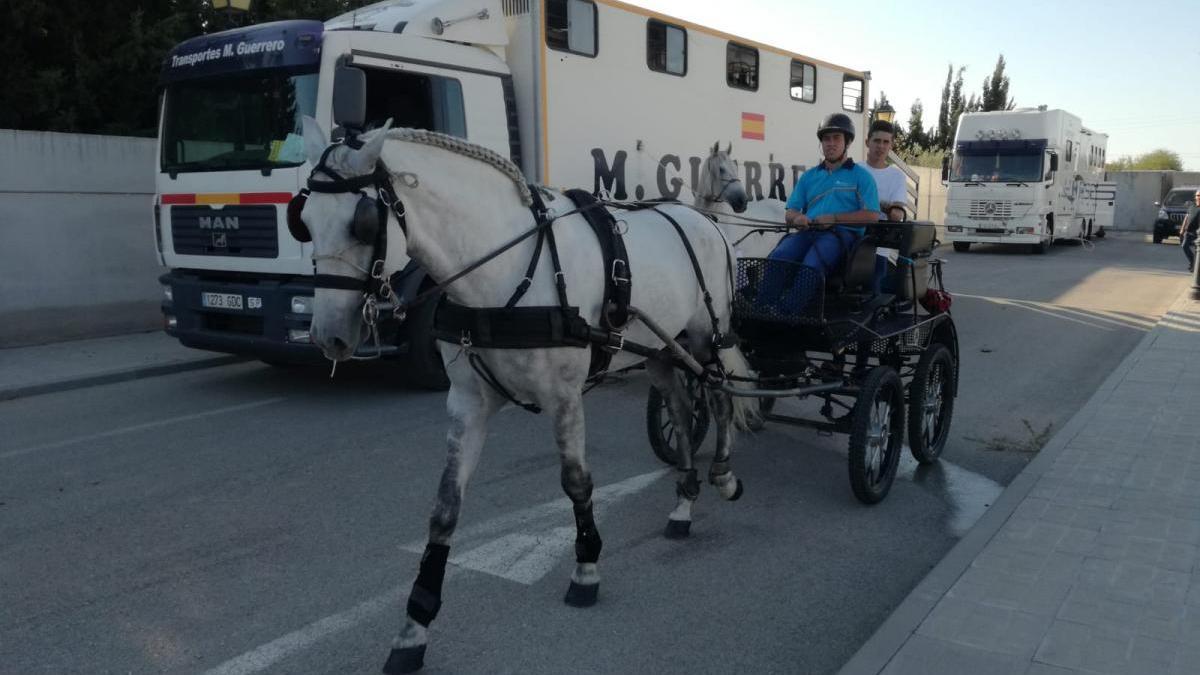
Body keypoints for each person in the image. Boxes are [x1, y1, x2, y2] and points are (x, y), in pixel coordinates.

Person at [757, 113, 879, 313]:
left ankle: (786, 313)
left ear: (847, 142)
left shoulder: (862, 177)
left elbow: (872, 215)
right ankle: (762, 308)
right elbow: (791, 211)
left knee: (812, 264)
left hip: (841, 236)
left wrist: (834, 218)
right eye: (826, 139)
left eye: (836, 138)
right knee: (779, 255)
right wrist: (797, 218)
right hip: (808, 232)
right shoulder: (809, 176)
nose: (830, 143)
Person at [1181, 189, 1200, 272]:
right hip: (1188, 231)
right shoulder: (1192, 206)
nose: (1198, 197)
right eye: (1197, 195)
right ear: (1195, 197)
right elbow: (1186, 217)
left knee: (1197, 251)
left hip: (1198, 233)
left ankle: (1194, 267)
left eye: (1199, 196)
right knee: (1184, 246)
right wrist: (1182, 228)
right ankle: (1193, 262)